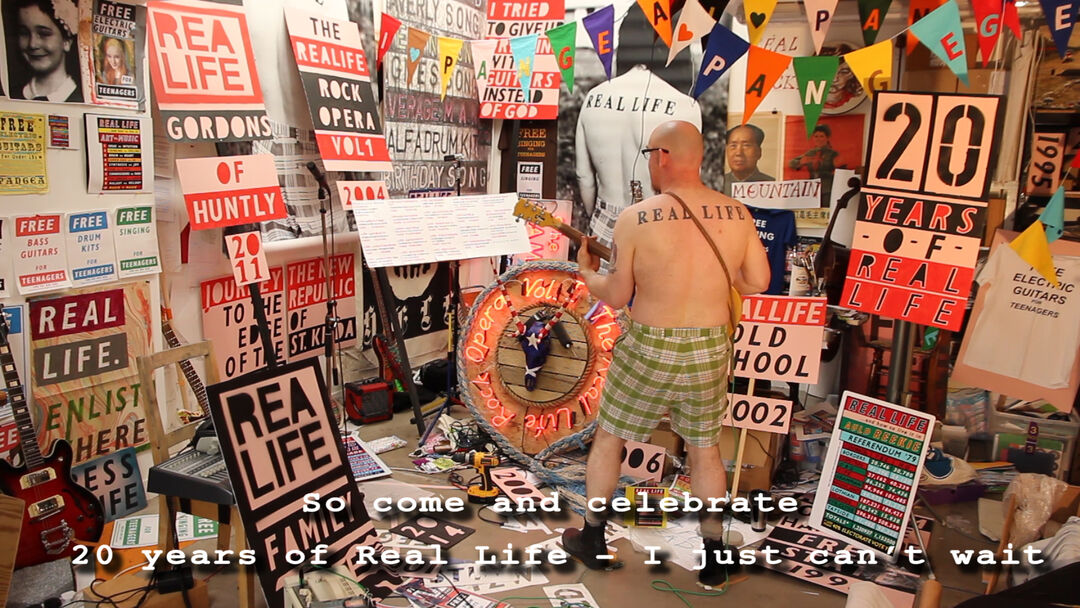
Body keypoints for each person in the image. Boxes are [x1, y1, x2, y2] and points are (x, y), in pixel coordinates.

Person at [565, 120, 771, 587]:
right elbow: (757, 282)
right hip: (708, 345)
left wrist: (586, 273)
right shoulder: (736, 212)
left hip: (650, 344)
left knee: (610, 438)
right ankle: (714, 556)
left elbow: (615, 295)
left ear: (661, 157)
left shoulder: (635, 217)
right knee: (705, 451)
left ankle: (593, 538)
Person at [4, 0, 82, 102]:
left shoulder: (80, 98)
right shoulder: (10, 97)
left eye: (44, 33)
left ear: (66, 41)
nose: (32, 44)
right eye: (24, 33)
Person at [788, 125, 848, 203]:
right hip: (812, 190)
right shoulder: (810, 153)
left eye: (821, 136)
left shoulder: (833, 154)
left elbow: (843, 171)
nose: (818, 139)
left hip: (828, 190)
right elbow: (791, 163)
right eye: (816, 136)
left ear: (827, 138)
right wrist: (800, 162)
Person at [722, 124, 774, 196]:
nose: (739, 153)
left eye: (746, 145)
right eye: (733, 146)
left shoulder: (772, 185)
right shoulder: (717, 184)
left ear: (759, 152)